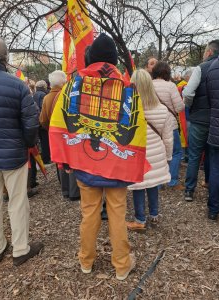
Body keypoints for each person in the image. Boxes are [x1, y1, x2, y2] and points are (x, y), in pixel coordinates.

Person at [49, 33, 148, 280]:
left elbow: (60, 123)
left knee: (89, 213)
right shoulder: (128, 87)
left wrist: (65, 159)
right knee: (117, 214)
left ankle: (86, 261)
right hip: (117, 165)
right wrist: (133, 163)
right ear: (114, 60)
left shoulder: (74, 83)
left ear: (91, 57)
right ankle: (122, 265)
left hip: (85, 163)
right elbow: (138, 128)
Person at [0, 35, 43, 265]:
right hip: (13, 154)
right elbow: (31, 122)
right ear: (5, 56)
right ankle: (20, 248)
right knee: (17, 202)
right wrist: (28, 144)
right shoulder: (17, 84)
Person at [127, 69, 173, 231]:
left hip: (136, 155)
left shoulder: (128, 109)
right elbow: (168, 138)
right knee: (153, 184)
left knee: (138, 186)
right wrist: (168, 156)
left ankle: (140, 219)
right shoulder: (162, 109)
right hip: (157, 153)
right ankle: (154, 215)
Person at [182, 40, 219, 201]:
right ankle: (210, 185)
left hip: (198, 120)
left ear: (210, 52)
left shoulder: (201, 68)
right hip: (216, 121)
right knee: (213, 155)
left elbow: (188, 93)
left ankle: (189, 190)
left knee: (194, 156)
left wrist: (192, 107)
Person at [39, 70, 80, 201]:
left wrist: (50, 129)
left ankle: (65, 190)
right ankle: (74, 192)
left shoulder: (46, 98)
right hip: (70, 132)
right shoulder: (68, 94)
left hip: (54, 133)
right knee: (72, 160)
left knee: (60, 160)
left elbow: (43, 120)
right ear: (63, 81)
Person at [152, 61, 185, 190]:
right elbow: (179, 106)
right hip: (169, 124)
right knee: (176, 152)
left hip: (152, 125)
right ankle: (172, 181)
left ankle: (158, 183)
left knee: (157, 152)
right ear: (167, 72)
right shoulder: (170, 86)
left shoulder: (149, 85)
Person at [206, 52, 219, 220]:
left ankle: (213, 209)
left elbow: (210, 100)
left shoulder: (213, 68)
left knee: (216, 170)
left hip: (217, 129)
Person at [34, 80, 51, 164]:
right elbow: (43, 109)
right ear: (44, 86)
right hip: (42, 121)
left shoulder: (34, 94)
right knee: (45, 140)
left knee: (41, 139)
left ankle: (42, 157)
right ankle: (46, 158)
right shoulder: (44, 95)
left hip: (36, 121)